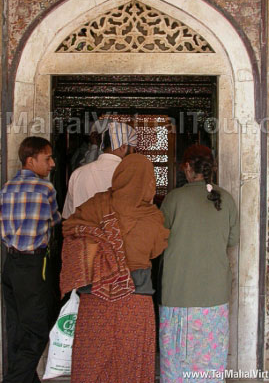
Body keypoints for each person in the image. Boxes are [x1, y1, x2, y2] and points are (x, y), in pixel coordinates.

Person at [60, 153, 169, 383]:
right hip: (136, 301)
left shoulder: (96, 204)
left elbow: (69, 228)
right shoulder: (152, 217)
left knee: (93, 362)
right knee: (130, 362)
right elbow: (155, 250)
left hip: (96, 298)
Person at [159, 144, 239, 383]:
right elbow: (233, 239)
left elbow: (158, 239)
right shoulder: (225, 198)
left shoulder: (174, 199)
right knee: (210, 365)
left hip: (179, 293)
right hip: (214, 295)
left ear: (186, 167)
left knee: (177, 365)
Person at [0, 136, 61, 383]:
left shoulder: (7, 187)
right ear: (30, 160)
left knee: (17, 329)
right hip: (33, 267)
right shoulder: (45, 189)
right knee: (36, 332)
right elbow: (55, 222)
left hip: (11, 265)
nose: (52, 164)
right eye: (47, 158)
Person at [62, 121, 137, 219]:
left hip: (83, 234)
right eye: (133, 149)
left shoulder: (78, 174)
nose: (133, 153)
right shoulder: (133, 176)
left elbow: (67, 217)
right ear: (123, 147)